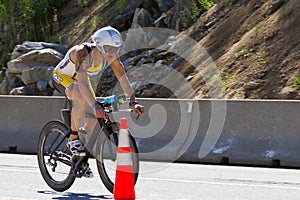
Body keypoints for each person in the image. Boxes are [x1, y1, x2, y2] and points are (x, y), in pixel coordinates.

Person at [52, 26, 144, 178]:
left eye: (115, 49)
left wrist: (133, 102)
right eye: (108, 48)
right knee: (82, 98)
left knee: (94, 121)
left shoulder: (111, 56)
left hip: (80, 81)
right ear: (99, 45)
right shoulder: (83, 52)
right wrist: (94, 105)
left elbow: (123, 78)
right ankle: (73, 138)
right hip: (62, 77)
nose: (112, 52)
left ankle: (82, 159)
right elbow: (81, 83)